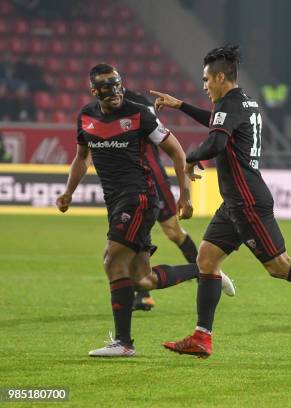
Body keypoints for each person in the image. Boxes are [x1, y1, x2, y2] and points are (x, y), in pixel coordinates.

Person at [151, 44, 291, 358]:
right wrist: (181, 105)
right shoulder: (243, 102)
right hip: (236, 202)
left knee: (279, 266)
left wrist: (189, 158)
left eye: (206, 80)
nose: (204, 86)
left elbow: (217, 139)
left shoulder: (229, 104)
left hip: (247, 202)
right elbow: (217, 122)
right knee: (206, 259)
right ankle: (202, 336)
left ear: (221, 77)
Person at [56, 64, 202, 357]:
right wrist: (69, 192)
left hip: (139, 198)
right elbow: (82, 158)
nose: (115, 92)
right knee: (141, 279)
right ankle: (206, 270)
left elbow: (176, 151)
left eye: (117, 85)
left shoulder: (140, 114)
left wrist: (184, 196)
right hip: (115, 201)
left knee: (111, 259)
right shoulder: (85, 117)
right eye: (107, 88)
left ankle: (124, 343)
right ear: (95, 91)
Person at [123, 88, 236, 311]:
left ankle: (205, 272)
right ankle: (143, 295)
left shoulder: (137, 105)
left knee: (173, 232)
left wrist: (185, 195)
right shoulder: (100, 112)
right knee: (128, 239)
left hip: (153, 179)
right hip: (127, 187)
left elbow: (170, 145)